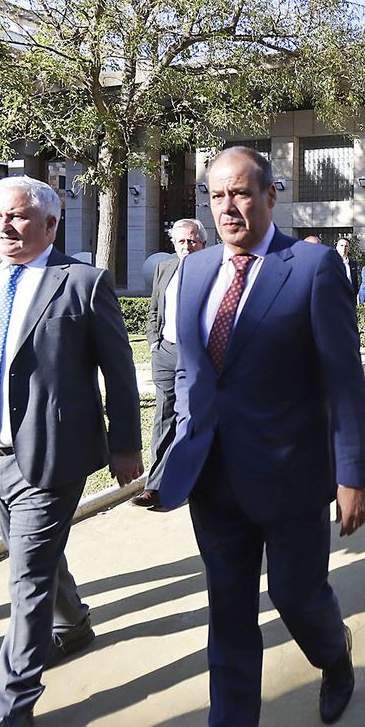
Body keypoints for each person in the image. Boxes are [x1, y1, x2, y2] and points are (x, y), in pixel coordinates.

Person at [158, 146, 365, 727]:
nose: (229, 206)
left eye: (243, 192)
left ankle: (334, 656)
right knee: (228, 615)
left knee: (297, 595)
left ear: (271, 195)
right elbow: (190, 376)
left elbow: (343, 379)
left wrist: (352, 473)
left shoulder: (311, 267)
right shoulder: (190, 272)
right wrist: (170, 454)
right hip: (214, 481)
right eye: (218, 195)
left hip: (292, 474)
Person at [0, 175, 144, 727]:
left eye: (21, 217)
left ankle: (12, 710)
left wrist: (127, 444)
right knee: (35, 558)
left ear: (52, 225)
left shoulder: (81, 283)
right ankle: (75, 624)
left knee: (25, 576)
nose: (5, 226)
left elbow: (119, 371)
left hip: (51, 454)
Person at [131, 218, 207, 511]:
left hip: (197, 357)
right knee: (164, 417)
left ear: (202, 242)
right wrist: (154, 342)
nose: (186, 247)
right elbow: (154, 308)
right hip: (165, 352)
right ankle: (155, 486)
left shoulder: (214, 270)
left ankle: (194, 478)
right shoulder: (165, 268)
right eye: (180, 242)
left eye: (191, 241)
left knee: (194, 417)